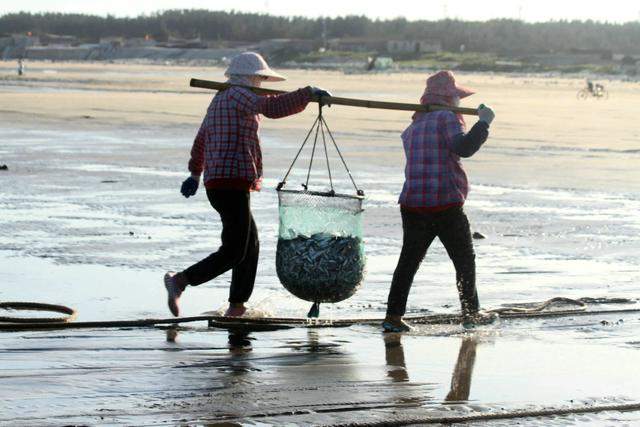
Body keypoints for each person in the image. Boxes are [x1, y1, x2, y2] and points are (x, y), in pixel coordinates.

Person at [164, 52, 330, 317]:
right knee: (234, 250)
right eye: (261, 78)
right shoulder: (238, 94)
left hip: (221, 183)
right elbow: (273, 108)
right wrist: (307, 93)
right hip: (230, 182)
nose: (262, 84)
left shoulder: (220, 99)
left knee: (249, 244)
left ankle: (237, 306)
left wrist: (195, 174)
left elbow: (201, 140)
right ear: (250, 77)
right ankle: (180, 281)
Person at [383, 70, 496, 332]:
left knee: (408, 262)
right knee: (464, 261)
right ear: (448, 98)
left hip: (413, 204)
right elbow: (464, 148)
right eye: (456, 97)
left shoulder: (414, 125)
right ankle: (470, 314)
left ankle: (393, 318)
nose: (459, 102)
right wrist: (484, 123)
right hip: (444, 203)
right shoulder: (448, 117)